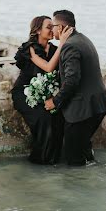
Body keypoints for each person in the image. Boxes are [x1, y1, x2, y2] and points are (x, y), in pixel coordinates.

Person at [44, 10, 106, 166]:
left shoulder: (69, 46)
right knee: (83, 148)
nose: (52, 30)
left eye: (53, 26)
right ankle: (91, 180)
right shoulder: (84, 39)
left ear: (60, 27)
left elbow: (72, 80)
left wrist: (55, 101)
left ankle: (77, 185)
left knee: (73, 156)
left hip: (82, 110)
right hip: (97, 105)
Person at [11, 15, 72, 164]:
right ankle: (39, 160)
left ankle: (53, 159)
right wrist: (63, 43)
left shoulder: (54, 49)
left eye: (53, 26)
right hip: (23, 93)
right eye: (48, 27)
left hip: (45, 94)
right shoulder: (30, 48)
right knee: (43, 118)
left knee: (57, 117)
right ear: (38, 30)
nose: (52, 30)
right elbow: (48, 67)